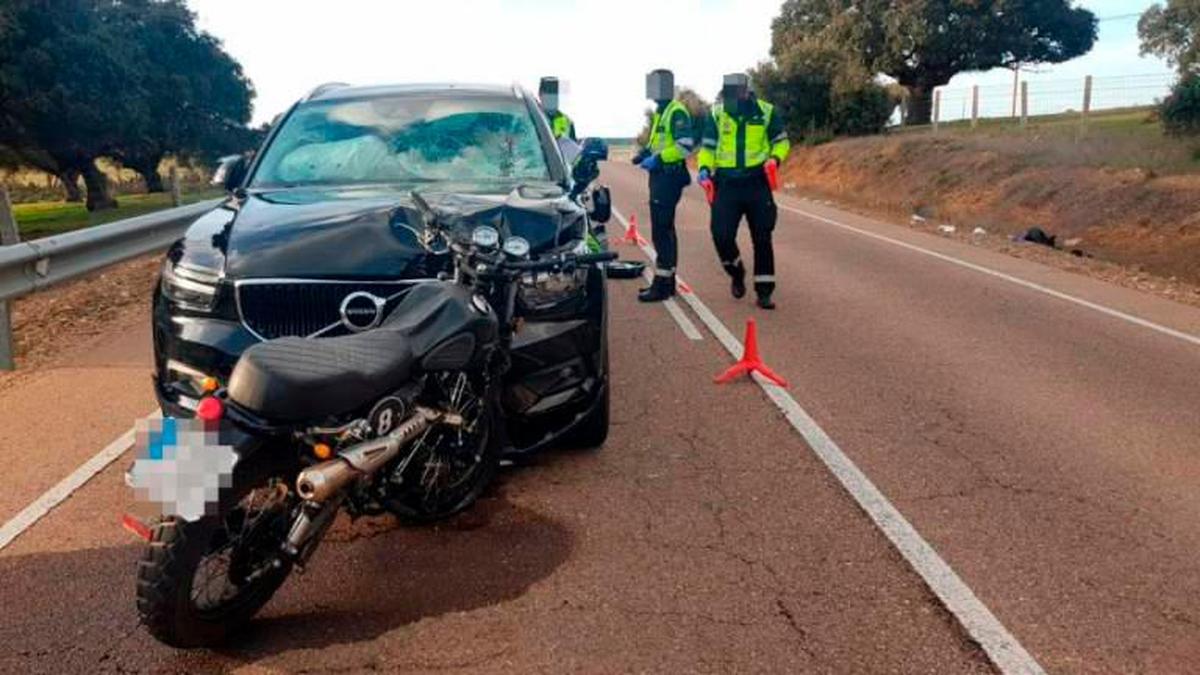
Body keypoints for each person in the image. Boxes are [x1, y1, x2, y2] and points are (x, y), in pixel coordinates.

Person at [697, 73, 791, 309]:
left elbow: (782, 142)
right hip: (726, 184)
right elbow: (707, 148)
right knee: (721, 235)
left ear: (746, 92)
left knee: (762, 237)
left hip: (757, 182)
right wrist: (704, 168)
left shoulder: (766, 112)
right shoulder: (717, 113)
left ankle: (764, 291)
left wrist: (775, 159)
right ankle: (736, 272)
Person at [632, 68, 694, 303]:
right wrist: (644, 154)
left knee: (662, 231)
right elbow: (658, 142)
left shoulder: (676, 111)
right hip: (660, 176)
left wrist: (657, 159)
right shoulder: (662, 112)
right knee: (665, 230)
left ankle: (661, 285)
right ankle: (667, 283)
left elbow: (684, 146)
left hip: (669, 176)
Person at [539, 77, 576, 141]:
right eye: (548, 92)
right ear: (540, 95)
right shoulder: (532, 119)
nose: (552, 98)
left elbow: (573, 148)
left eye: (554, 93)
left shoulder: (567, 122)